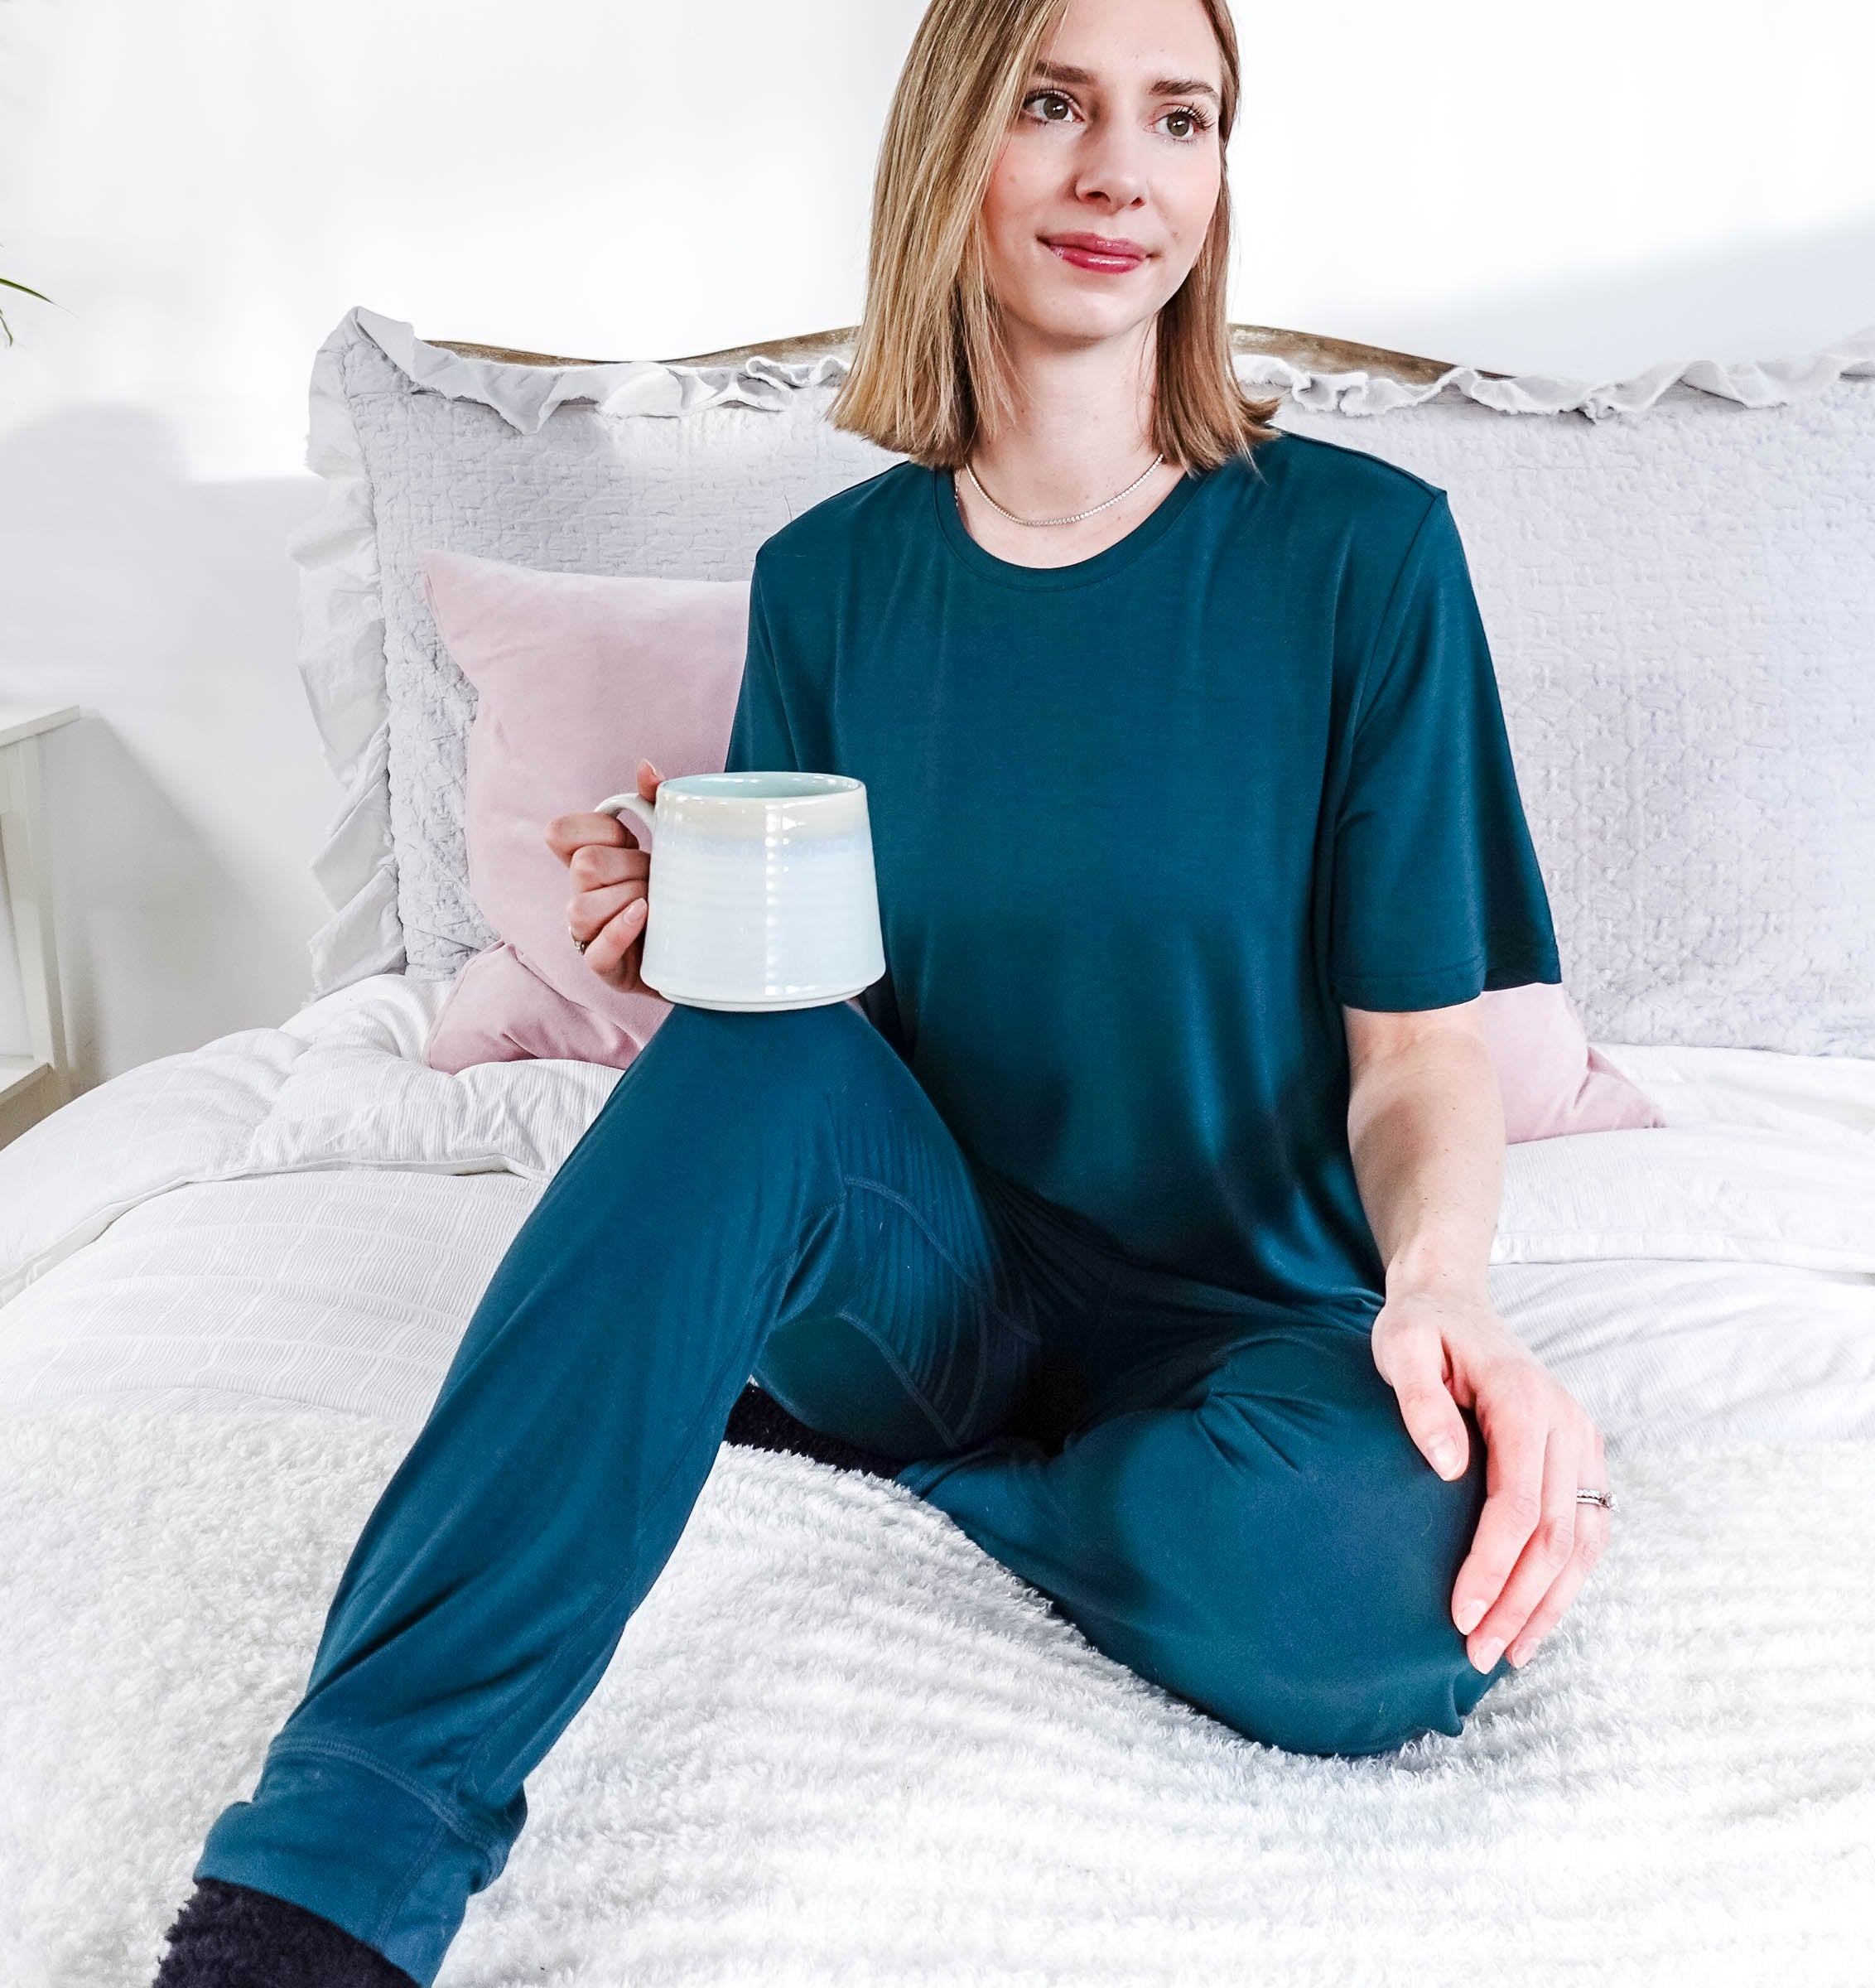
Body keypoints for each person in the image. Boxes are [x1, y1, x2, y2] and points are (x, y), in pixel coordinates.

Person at [154, 0, 1612, 1981]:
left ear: (1216, 178)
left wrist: (1440, 1288)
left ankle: (973, 1489)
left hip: (1245, 1329)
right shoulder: (831, 583)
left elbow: (1418, 1051)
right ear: (955, 152)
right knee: (754, 1061)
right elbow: (820, 1053)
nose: (1122, 171)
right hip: (934, 1295)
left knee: (1382, 1616)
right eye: (1055, 104)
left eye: (1179, 119)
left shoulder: (1366, 559)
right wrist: (689, 936)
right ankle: (323, 1883)